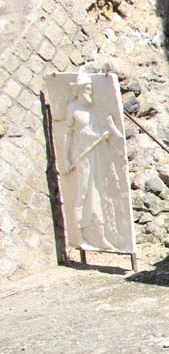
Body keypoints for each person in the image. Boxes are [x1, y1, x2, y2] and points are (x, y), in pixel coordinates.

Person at [61, 73, 123, 251]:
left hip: (95, 153)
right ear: (80, 90)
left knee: (98, 193)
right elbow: (68, 135)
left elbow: (95, 131)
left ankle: (101, 236)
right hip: (81, 156)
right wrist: (66, 158)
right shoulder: (73, 108)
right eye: (88, 89)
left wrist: (103, 135)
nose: (91, 92)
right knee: (83, 193)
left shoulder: (91, 109)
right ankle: (78, 236)